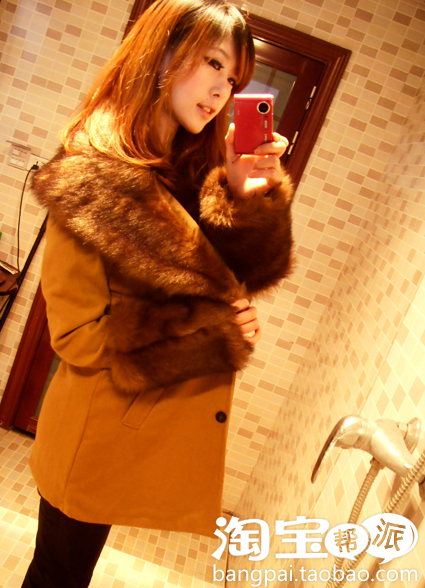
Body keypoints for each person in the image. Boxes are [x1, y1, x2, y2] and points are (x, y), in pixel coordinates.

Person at [22, 0, 294, 586]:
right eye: (213, 63)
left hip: (129, 425)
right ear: (163, 52)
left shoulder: (189, 168)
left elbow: (246, 273)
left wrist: (246, 194)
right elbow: (75, 334)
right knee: (58, 574)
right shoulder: (92, 175)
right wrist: (210, 327)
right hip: (93, 431)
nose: (222, 90)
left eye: (234, 78)